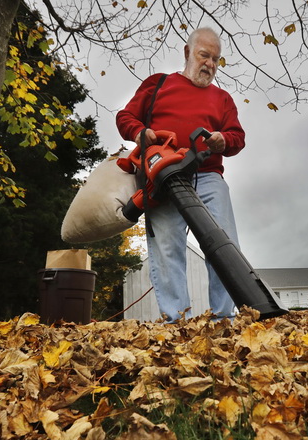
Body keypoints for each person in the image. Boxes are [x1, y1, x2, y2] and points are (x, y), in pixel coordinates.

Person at [116, 27, 246, 322]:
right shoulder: (158, 84)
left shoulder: (223, 99)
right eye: (204, 55)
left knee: (223, 243)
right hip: (163, 176)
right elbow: (125, 117)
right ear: (188, 53)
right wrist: (140, 133)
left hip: (208, 174)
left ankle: (224, 319)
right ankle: (177, 322)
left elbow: (237, 137)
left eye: (216, 59)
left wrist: (223, 140)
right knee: (166, 245)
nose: (210, 64)